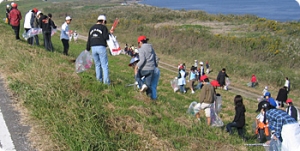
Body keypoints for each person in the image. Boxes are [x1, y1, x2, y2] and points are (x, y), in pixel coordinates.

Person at [86, 15, 110, 84]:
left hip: (93, 48)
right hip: (101, 47)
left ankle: (98, 81)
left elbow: (89, 39)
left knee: (97, 65)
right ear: (103, 21)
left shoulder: (91, 28)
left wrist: (87, 49)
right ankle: (106, 82)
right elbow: (106, 37)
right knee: (104, 65)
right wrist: (109, 33)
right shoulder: (103, 27)